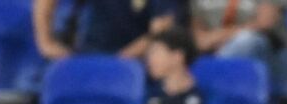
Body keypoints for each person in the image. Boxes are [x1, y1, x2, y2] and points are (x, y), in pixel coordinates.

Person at [33, 0, 180, 60]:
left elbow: (161, 30)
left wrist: (119, 60)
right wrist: (45, 42)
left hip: (139, 65)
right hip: (88, 54)